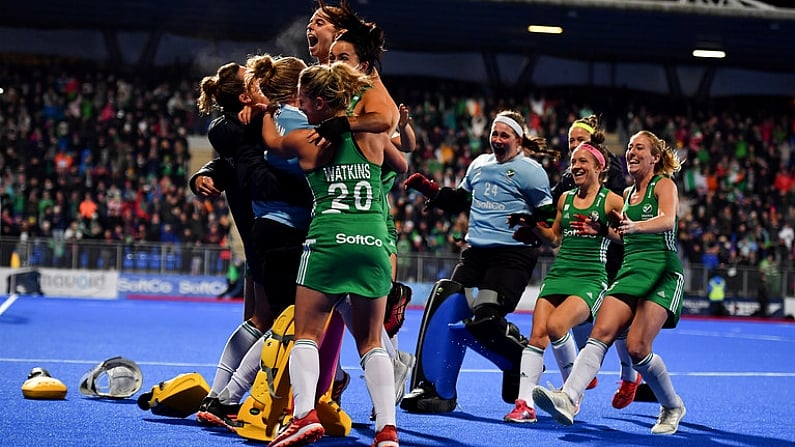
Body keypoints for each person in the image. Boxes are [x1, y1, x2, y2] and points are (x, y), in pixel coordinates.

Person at [261, 62, 402, 447]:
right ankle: (387, 429)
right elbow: (397, 147)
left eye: (304, 101)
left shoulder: (306, 139)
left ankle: (303, 414)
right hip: (373, 240)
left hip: (327, 240)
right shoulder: (373, 136)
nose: (301, 107)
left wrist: (268, 110)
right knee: (372, 341)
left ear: (320, 103)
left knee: (306, 333)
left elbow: (272, 143)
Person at [533, 130, 687, 435]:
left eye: (639, 148)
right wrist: (602, 230)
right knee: (601, 331)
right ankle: (568, 397)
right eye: (629, 148)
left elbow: (668, 219)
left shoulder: (664, 185)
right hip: (631, 269)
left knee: (637, 347)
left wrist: (635, 225)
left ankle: (672, 406)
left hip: (661, 272)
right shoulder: (628, 196)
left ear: (655, 157)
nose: (630, 152)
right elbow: (624, 234)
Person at [401, 110, 555, 413]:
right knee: (444, 300)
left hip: (511, 255)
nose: (497, 140)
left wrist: (533, 227)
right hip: (476, 253)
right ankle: (434, 390)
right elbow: (461, 200)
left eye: (504, 135)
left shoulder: (531, 171)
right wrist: (431, 190)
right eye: (494, 134)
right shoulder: (479, 164)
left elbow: (549, 216)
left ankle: (518, 359)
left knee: (484, 319)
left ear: (519, 140)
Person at [191, 60, 309, 426]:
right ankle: (230, 398)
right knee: (276, 319)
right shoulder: (245, 126)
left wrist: (207, 172)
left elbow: (230, 159)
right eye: (253, 78)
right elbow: (250, 167)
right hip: (273, 227)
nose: (261, 78)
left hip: (262, 227)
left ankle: (219, 395)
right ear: (244, 95)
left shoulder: (245, 122)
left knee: (261, 317)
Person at [327, 21, 418, 409]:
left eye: (342, 57)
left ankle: (390, 363)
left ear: (363, 65)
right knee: (349, 304)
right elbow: (399, 160)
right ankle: (378, 366)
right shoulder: (342, 104)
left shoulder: (369, 105)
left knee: (365, 303)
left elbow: (401, 149)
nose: (335, 64)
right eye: (332, 58)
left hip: (372, 218)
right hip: (348, 216)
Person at [504, 142, 624, 423]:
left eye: (583, 161)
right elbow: (556, 238)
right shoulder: (565, 199)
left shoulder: (611, 201)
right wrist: (532, 226)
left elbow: (629, 236)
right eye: (574, 161)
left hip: (590, 277)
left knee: (557, 326)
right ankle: (524, 405)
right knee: (536, 337)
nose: (577, 166)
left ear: (598, 166)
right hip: (560, 273)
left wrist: (603, 229)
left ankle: (572, 392)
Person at [555, 114, 649, 408]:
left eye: (579, 140)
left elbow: (626, 213)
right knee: (576, 308)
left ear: (593, 143)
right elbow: (555, 208)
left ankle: (628, 376)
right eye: (570, 141)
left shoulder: (612, 171)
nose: (574, 146)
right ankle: (586, 367)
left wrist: (604, 226)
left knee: (617, 321)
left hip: (615, 256)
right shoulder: (570, 174)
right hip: (584, 257)